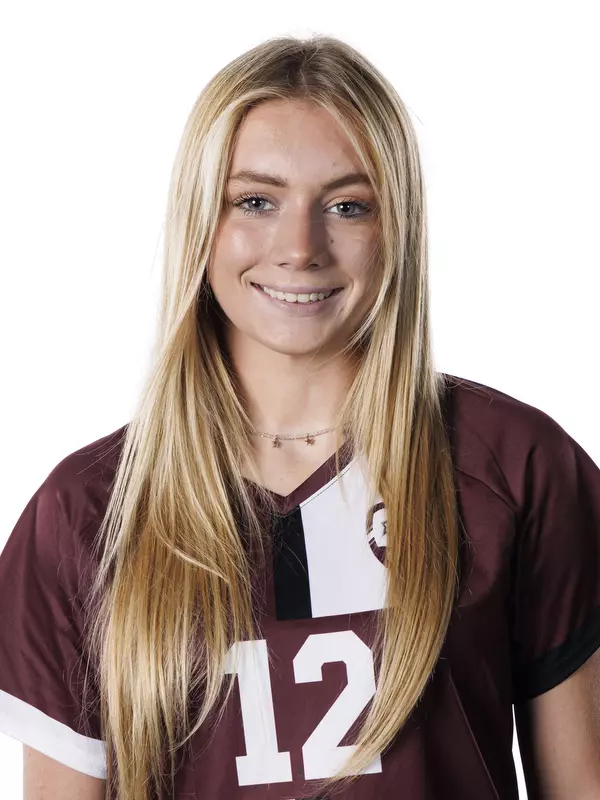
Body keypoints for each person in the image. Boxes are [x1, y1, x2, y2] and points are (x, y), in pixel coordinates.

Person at [1, 34, 600, 800]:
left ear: (399, 231)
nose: (299, 247)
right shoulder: (88, 509)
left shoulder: (514, 466)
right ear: (200, 221)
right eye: (256, 200)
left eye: (348, 206)